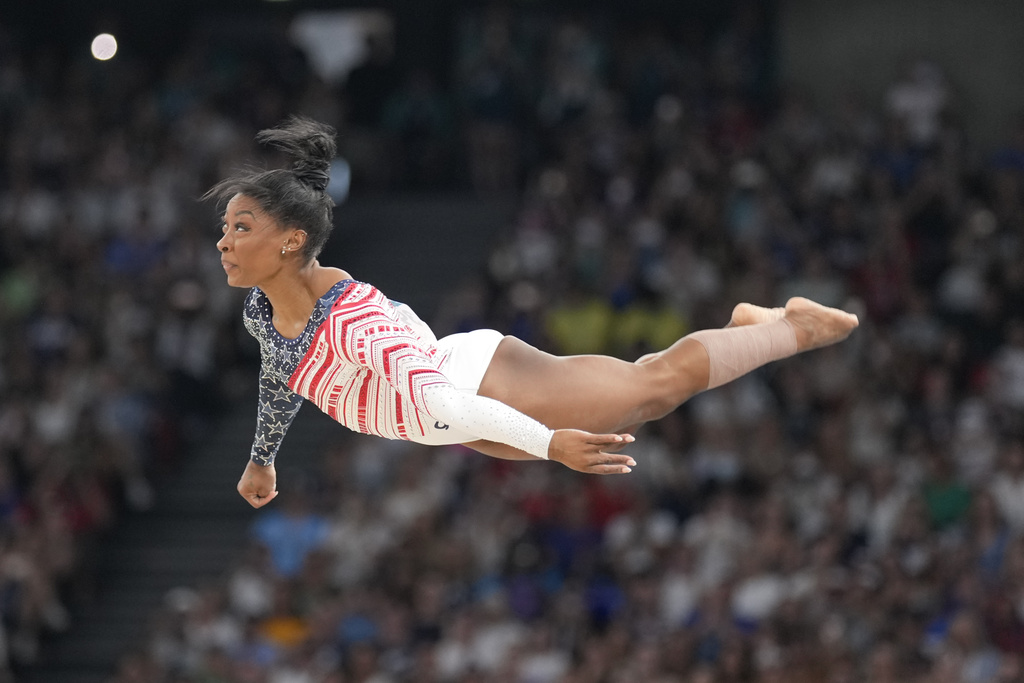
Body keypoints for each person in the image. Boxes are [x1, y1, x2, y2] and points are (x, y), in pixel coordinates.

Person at [210, 117, 859, 508]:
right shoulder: (263, 312)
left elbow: (438, 399)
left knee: (653, 387)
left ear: (292, 240)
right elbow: (280, 372)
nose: (223, 240)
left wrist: (550, 443)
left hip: (479, 386)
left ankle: (790, 328)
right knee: (648, 397)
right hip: (446, 420)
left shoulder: (353, 320)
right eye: (225, 227)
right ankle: (745, 327)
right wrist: (263, 456)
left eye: (241, 227)